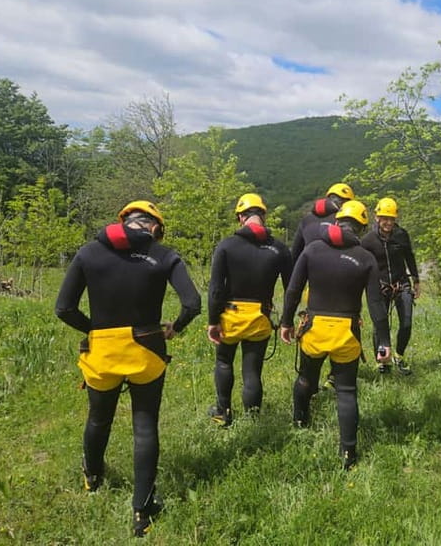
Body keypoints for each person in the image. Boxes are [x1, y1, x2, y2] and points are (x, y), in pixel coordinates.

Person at [55, 200, 201, 537]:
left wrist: (94, 329)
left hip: (102, 352)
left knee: (98, 417)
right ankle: (142, 511)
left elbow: (63, 308)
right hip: (147, 350)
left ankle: (92, 478)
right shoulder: (164, 255)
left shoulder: (88, 252)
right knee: (145, 426)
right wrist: (175, 327)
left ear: (124, 220)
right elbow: (192, 303)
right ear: (153, 226)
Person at [280, 200, 392, 470]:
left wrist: (285, 322)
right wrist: (384, 342)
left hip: (314, 327)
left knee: (306, 378)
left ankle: (299, 422)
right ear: (362, 226)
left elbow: (293, 290)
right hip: (346, 332)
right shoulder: (365, 258)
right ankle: (348, 454)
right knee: (346, 391)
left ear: (336, 220)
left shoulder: (312, 250)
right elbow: (376, 304)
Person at [206, 193, 292, 426]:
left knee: (224, 362)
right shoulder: (280, 249)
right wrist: (287, 320)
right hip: (260, 318)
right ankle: (254, 420)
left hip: (230, 317)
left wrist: (213, 321)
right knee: (252, 370)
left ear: (241, 217)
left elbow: (215, 289)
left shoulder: (226, 245)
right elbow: (291, 289)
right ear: (262, 216)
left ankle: (222, 413)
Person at [290, 182, 355, 390]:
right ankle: (336, 373)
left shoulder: (307, 219)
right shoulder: (343, 221)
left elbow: (295, 253)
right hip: (343, 287)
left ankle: (308, 379)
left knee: (314, 328)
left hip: (313, 285)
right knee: (341, 329)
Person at [361, 197, 420, 375]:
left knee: (407, 322)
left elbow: (409, 256)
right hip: (380, 285)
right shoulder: (368, 240)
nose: (388, 222)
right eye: (384, 218)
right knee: (380, 325)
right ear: (377, 217)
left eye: (391, 218)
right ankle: (382, 361)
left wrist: (416, 279)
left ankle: (399, 356)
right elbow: (363, 264)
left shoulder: (402, 235)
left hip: (401, 283)